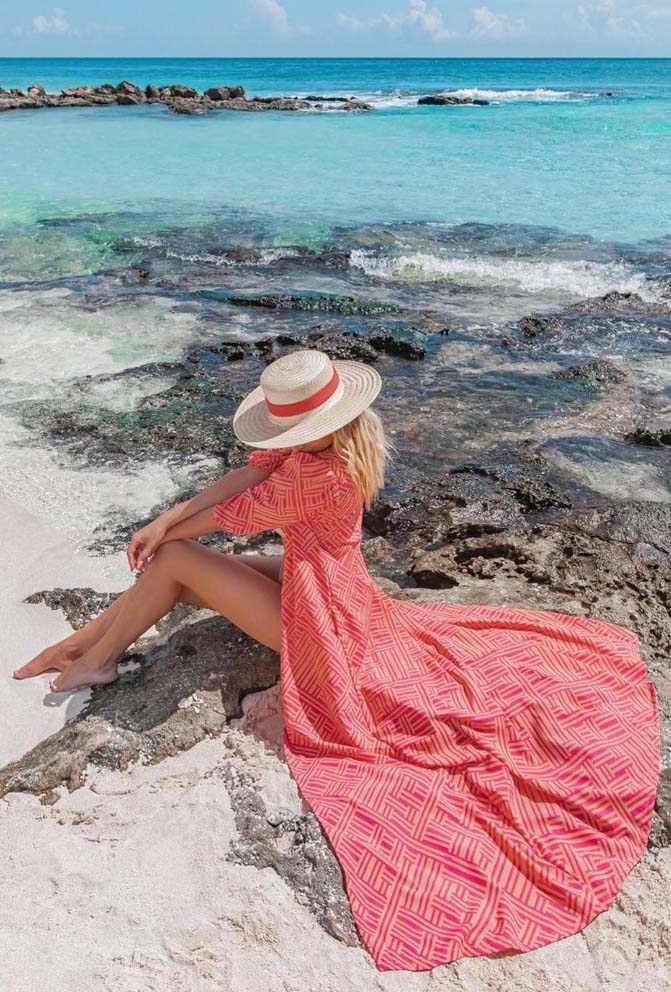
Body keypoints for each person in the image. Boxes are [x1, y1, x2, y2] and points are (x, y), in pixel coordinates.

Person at [13, 348, 661, 972]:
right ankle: (83, 649)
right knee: (175, 565)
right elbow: (246, 473)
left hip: (323, 621)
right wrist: (169, 515)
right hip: (331, 583)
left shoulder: (315, 475)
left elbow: (232, 513)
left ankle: (91, 658)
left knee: (177, 562)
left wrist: (167, 528)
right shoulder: (341, 441)